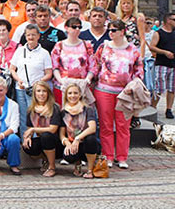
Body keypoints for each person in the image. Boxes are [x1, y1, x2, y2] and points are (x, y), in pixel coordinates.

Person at [92, 19, 143, 168]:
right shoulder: (104, 47)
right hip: (104, 90)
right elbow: (96, 65)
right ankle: (108, 155)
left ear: (122, 32)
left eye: (114, 30)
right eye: (109, 30)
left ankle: (122, 157)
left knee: (123, 125)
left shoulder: (133, 50)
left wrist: (133, 85)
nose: (111, 33)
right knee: (106, 124)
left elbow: (139, 71)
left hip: (125, 92)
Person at [10, 25, 53, 134]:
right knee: (23, 114)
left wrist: (39, 83)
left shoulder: (44, 53)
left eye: (33, 34)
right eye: (28, 35)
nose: (31, 37)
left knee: (35, 115)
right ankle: (25, 139)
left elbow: (49, 73)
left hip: (36, 90)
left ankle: (36, 138)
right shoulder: (19, 51)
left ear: (38, 36)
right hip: (20, 88)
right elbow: (12, 69)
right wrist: (18, 79)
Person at [60, 83, 101, 178]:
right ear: (66, 95)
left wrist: (78, 138)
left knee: (91, 139)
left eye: (75, 93)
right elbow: (61, 134)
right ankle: (77, 164)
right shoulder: (63, 112)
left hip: (86, 142)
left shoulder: (87, 109)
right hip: (72, 143)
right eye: (70, 93)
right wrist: (67, 143)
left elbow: (92, 128)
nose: (72, 96)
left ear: (80, 95)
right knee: (68, 156)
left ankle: (90, 170)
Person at [51, 16, 95, 105]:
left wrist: (87, 80)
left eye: (79, 27)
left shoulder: (87, 45)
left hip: (82, 86)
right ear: (66, 28)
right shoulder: (59, 45)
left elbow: (92, 66)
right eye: (74, 27)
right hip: (63, 85)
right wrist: (61, 80)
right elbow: (54, 67)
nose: (77, 29)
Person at [148, 12, 175, 119]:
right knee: (159, 89)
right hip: (162, 64)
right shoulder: (158, 33)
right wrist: (164, 52)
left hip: (174, 65)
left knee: (172, 89)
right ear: (168, 20)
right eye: (174, 19)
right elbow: (152, 47)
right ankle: (152, 108)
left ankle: (169, 109)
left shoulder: (174, 34)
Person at [22, 81, 60, 177]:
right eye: (38, 91)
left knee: (46, 136)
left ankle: (52, 167)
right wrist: (27, 138)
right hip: (42, 140)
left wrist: (33, 130)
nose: (41, 94)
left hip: (56, 142)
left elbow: (53, 129)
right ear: (34, 94)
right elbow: (29, 129)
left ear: (48, 93)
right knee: (28, 146)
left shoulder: (54, 107)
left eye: (44, 91)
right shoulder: (31, 110)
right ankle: (46, 159)